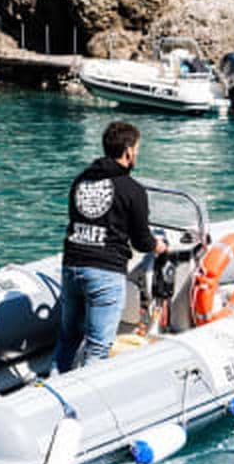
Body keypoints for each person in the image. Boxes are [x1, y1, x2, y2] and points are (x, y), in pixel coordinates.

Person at [51, 121, 167, 374]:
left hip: (72, 267)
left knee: (68, 339)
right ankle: (81, 407)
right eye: (137, 149)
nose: (137, 154)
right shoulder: (133, 190)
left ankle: (47, 389)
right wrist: (159, 247)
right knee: (97, 349)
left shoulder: (80, 181)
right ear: (128, 151)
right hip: (104, 272)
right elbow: (141, 241)